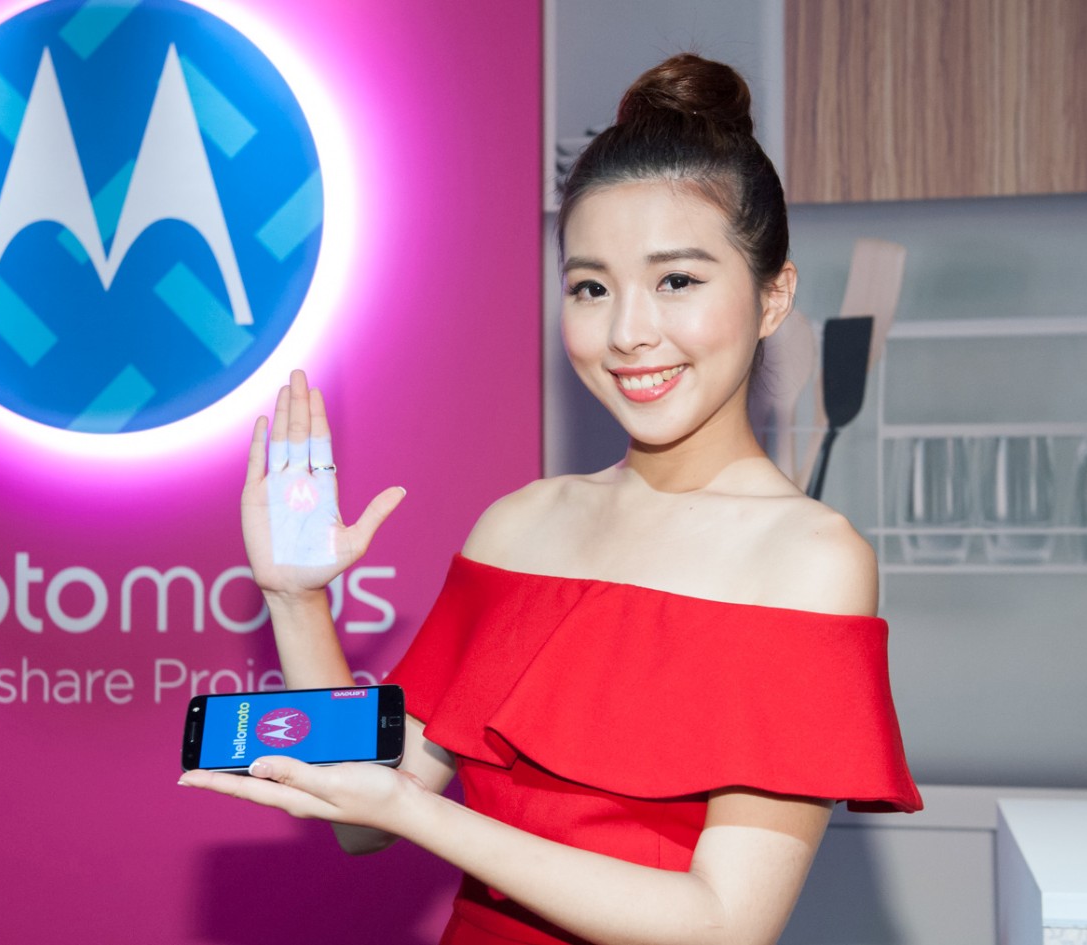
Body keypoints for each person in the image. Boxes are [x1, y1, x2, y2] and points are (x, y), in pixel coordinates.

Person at [178, 52, 921, 945]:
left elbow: (726, 923)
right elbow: (365, 816)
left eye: (678, 280)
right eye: (591, 287)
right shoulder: (519, 526)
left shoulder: (811, 560)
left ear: (773, 295)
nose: (629, 332)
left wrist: (422, 814)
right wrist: (297, 598)